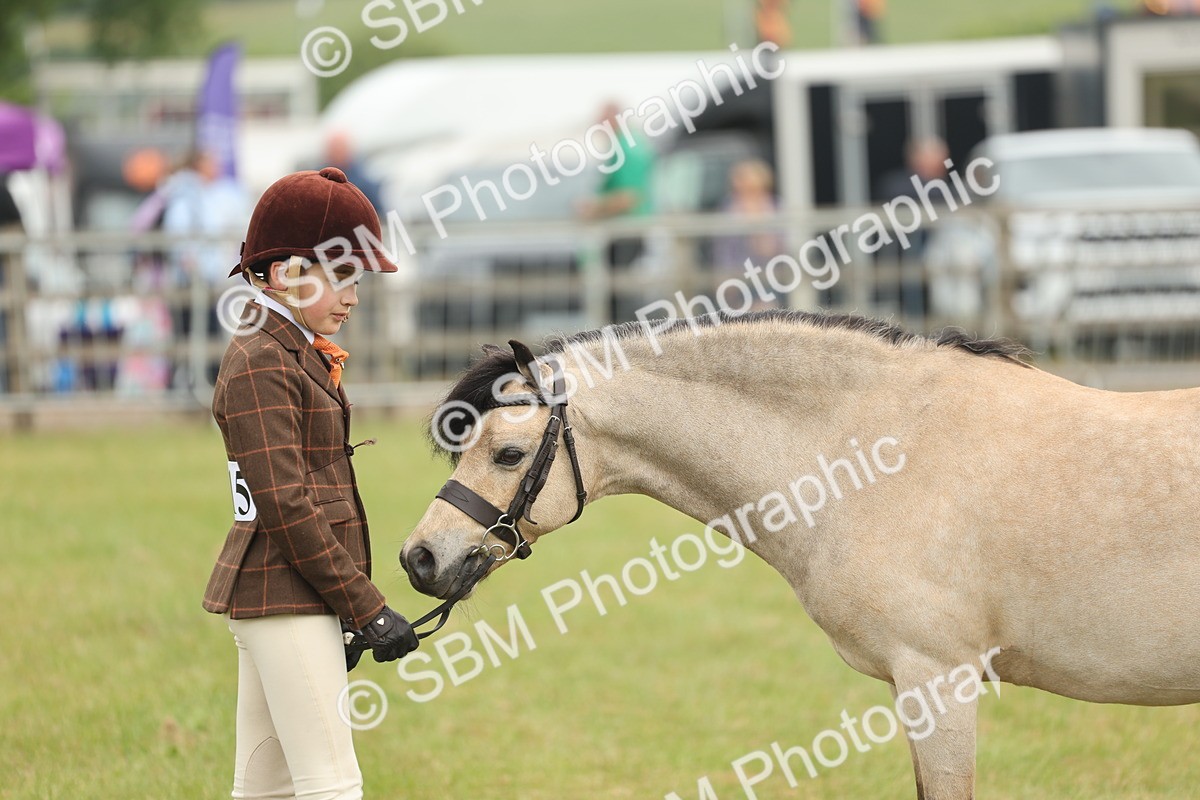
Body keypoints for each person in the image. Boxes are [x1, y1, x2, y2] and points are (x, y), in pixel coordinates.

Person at [202, 166, 419, 800]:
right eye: (342, 275)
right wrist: (367, 607)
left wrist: (347, 612)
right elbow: (287, 505)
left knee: (265, 790)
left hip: (291, 597)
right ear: (286, 273)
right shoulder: (261, 359)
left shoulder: (285, 346)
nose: (353, 295)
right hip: (285, 597)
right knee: (333, 786)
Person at [576, 102, 656, 321]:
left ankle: (623, 345)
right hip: (628, 230)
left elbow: (629, 197)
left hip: (626, 230)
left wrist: (593, 208)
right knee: (620, 291)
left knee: (618, 295)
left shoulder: (625, 148)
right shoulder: (630, 144)